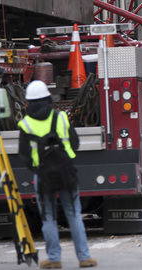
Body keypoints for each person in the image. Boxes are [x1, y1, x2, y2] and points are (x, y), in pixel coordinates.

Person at [18, 80, 97, 269]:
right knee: (73, 214)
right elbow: (75, 143)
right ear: (48, 98)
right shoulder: (60, 117)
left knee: (48, 217)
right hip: (66, 172)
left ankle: (54, 258)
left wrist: (37, 169)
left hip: (43, 175)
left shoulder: (26, 124)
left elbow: (24, 155)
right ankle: (84, 257)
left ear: (28, 102)